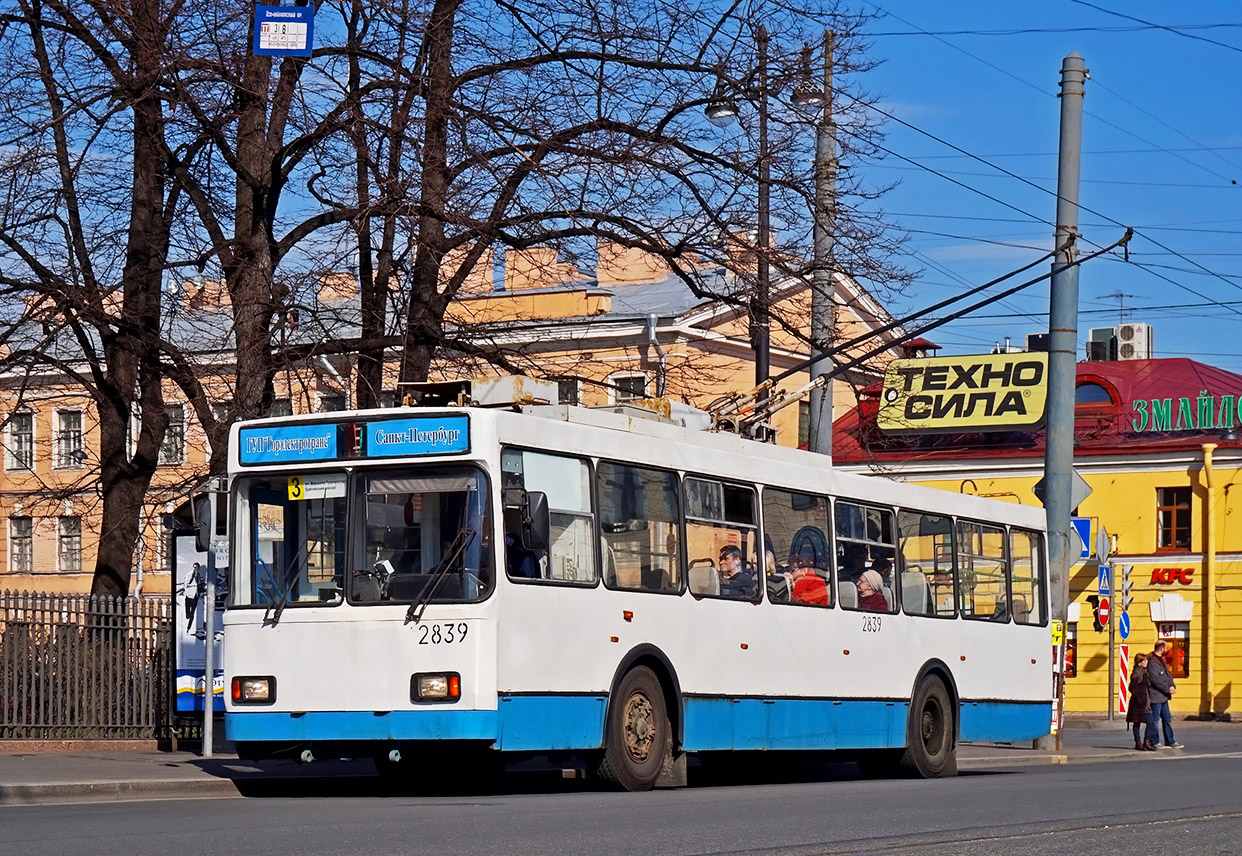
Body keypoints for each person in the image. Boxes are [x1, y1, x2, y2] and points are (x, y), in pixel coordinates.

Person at [1144, 640, 1182, 749]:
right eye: (1166, 648)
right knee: (1155, 720)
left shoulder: (1162, 660)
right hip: (1155, 696)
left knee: (1167, 718)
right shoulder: (1152, 661)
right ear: (1161, 648)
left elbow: (1168, 675)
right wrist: (1167, 689)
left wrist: (1172, 685)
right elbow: (1156, 679)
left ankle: (1170, 740)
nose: (1167, 650)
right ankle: (1154, 742)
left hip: (1163, 697)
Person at [1126, 653, 1152, 751]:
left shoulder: (1145, 671)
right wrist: (1139, 698)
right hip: (1138, 702)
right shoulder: (1136, 673)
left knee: (1150, 722)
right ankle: (1138, 742)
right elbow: (1131, 687)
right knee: (1137, 723)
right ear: (1139, 663)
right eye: (1144, 661)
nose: (1146, 662)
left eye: (1146, 660)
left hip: (1145, 701)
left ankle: (1146, 742)